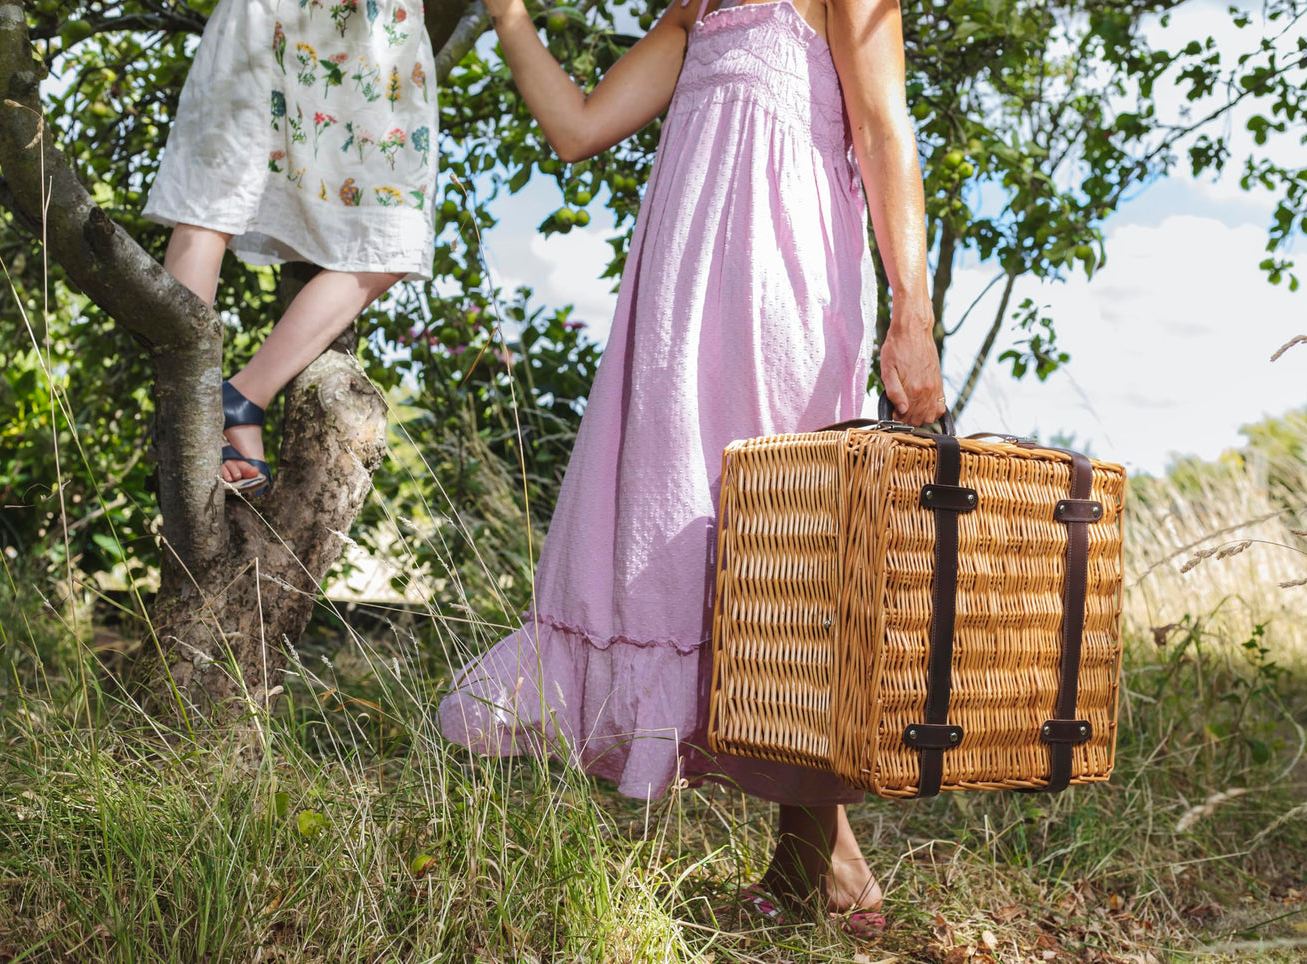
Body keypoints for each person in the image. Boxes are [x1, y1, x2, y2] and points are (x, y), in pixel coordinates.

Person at [439, 0, 943, 934]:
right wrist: (509, 19)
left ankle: (825, 862)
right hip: (677, 309)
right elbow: (577, 127)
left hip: (783, 293)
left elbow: (882, 129)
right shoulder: (696, 10)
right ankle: (813, 868)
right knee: (684, 547)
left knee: (781, 558)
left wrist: (911, 319)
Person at [144, 0, 439, 494]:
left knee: (395, 240)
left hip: (382, 40)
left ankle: (242, 396)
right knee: (214, 197)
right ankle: (188, 413)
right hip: (272, 16)